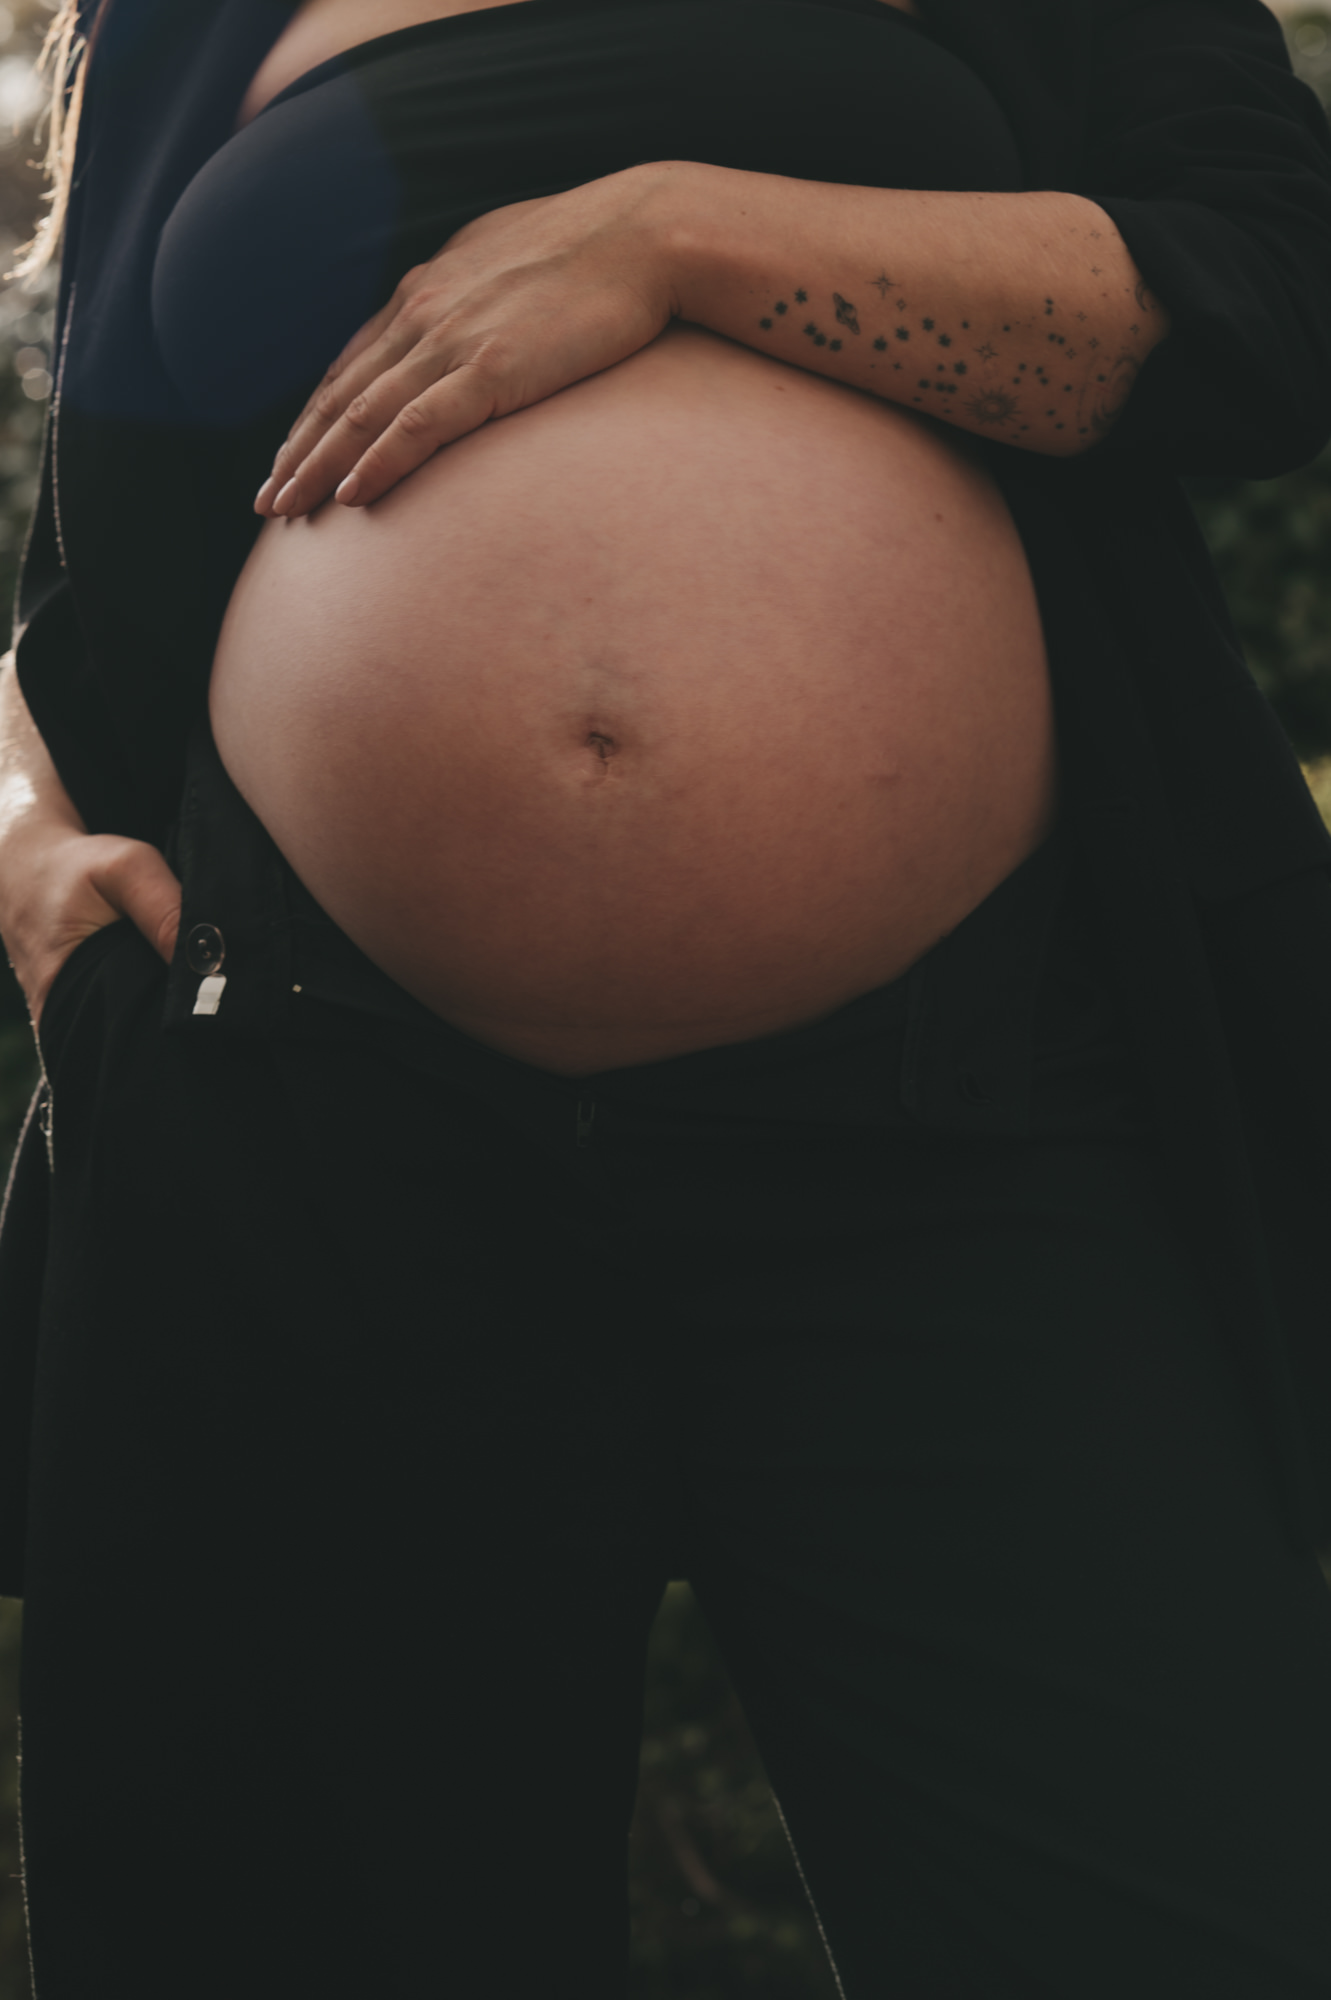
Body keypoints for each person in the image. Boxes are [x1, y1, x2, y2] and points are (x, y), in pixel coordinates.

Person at [1, 0, 1331, 1991]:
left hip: (959, 1143)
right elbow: (81, 564)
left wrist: (675, 234)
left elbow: (1271, 302)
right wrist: (23, 844)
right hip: (327, 1147)